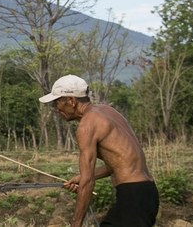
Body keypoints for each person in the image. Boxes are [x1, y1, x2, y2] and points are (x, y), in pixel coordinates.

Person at [40, 74, 158, 227]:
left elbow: (88, 182)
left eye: (57, 103)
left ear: (71, 100)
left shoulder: (86, 126)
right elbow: (118, 163)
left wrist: (76, 223)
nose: (56, 109)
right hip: (147, 192)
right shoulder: (107, 111)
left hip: (132, 197)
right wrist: (81, 177)